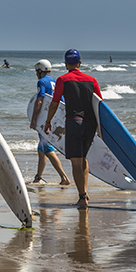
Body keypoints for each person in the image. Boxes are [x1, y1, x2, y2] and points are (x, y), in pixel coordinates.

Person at [42, 49, 103, 209]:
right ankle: (84, 192)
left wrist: (48, 121)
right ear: (79, 63)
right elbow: (99, 105)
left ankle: (82, 197)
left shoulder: (63, 79)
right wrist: (100, 127)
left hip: (74, 122)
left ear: (65, 64)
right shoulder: (92, 80)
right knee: (83, 158)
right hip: (90, 124)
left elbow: (55, 103)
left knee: (76, 161)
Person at [29, 59, 70, 186]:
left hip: (46, 120)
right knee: (41, 149)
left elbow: (40, 100)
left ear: (40, 70)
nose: (36, 73)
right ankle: (38, 177)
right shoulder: (55, 81)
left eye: (37, 71)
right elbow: (61, 101)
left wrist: (34, 119)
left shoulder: (41, 82)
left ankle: (64, 177)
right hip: (56, 118)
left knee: (47, 148)